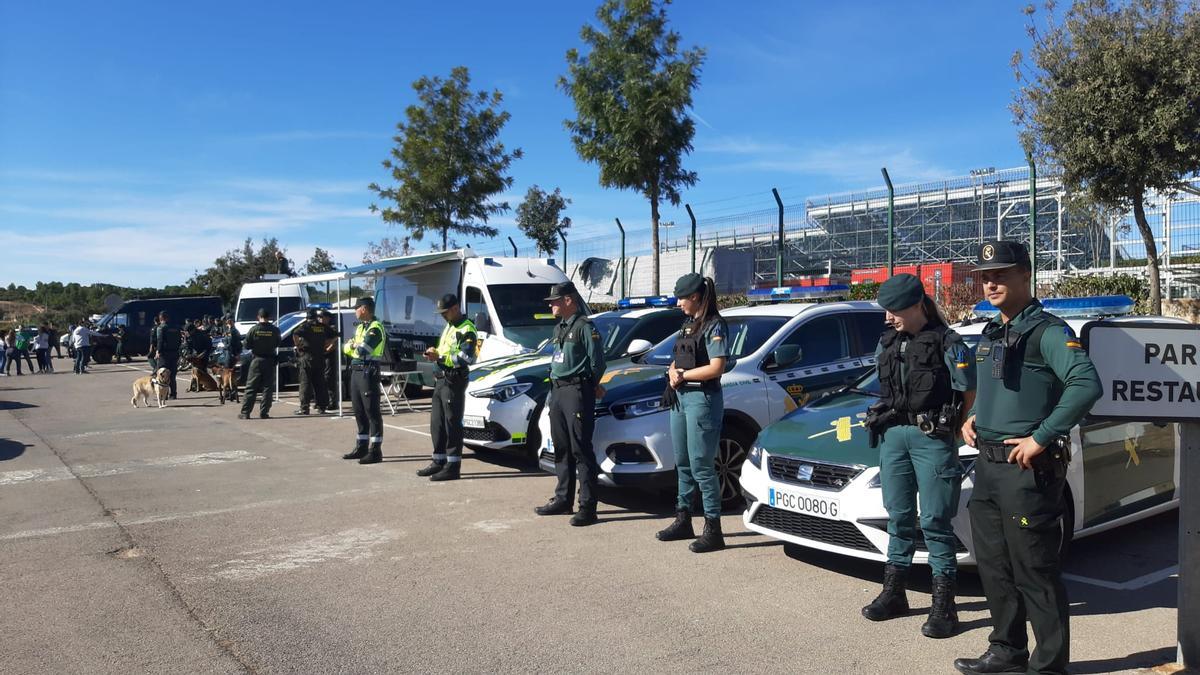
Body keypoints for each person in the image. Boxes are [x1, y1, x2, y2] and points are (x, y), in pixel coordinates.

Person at [953, 241, 1102, 675]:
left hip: (1027, 471)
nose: (991, 282)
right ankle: (1006, 650)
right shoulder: (990, 332)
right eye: (985, 275)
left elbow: (1085, 386)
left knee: (1035, 571)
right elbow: (994, 390)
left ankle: (1049, 665)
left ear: (1025, 275)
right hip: (988, 466)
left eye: (1001, 273)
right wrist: (974, 416)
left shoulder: (1049, 332)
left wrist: (1041, 436)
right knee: (995, 568)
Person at [860, 274, 977, 639]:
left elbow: (968, 388)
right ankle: (895, 594)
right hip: (894, 435)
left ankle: (945, 607)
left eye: (894, 311)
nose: (888, 318)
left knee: (935, 521)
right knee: (898, 515)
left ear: (916, 306)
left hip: (932, 438)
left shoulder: (948, 342)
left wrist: (957, 426)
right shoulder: (889, 341)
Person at [655, 274, 728, 551]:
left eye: (681, 297)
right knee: (683, 461)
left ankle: (714, 528)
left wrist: (682, 375)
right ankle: (683, 518)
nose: (678, 302)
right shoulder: (688, 325)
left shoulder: (714, 325)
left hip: (702, 400)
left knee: (702, 465)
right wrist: (673, 371)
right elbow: (679, 357)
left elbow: (716, 366)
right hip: (681, 398)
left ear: (695, 297)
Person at [532, 282, 605, 525]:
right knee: (561, 448)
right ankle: (563, 499)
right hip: (558, 391)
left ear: (568, 300)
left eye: (554, 300)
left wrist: (588, 385)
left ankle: (587, 506)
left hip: (576, 390)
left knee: (580, 449)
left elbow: (597, 363)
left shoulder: (584, 326)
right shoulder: (560, 328)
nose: (551, 304)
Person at [416, 294, 478, 481]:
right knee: (437, 423)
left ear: (455, 308)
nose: (442, 315)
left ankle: (453, 466)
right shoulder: (450, 326)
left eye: (445, 312)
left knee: (452, 423)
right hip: (441, 379)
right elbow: (445, 351)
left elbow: (466, 358)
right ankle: (438, 461)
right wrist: (435, 353)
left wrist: (440, 358)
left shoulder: (467, 329)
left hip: (453, 380)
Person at [342, 297, 385, 463]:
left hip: (368, 371)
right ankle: (361, 447)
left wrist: (353, 346)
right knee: (359, 411)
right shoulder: (361, 327)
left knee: (371, 412)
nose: (355, 311)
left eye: (356, 308)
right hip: (356, 371)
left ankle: (375, 451)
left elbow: (362, 349)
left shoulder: (375, 328)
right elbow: (346, 347)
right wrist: (353, 346)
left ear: (364, 309)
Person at [239, 308, 281, 420]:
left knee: (251, 387)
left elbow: (247, 345)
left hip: (257, 360)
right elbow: (278, 343)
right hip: (270, 360)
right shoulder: (275, 330)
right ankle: (264, 412)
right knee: (268, 388)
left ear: (258, 317)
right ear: (269, 317)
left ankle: (245, 412)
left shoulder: (254, 329)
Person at [293, 308, 332, 415]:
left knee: (305, 383)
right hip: (320, 357)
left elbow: (295, 333)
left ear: (307, 317)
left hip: (307, 357)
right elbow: (335, 335)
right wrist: (325, 344)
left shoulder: (306, 326)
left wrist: (298, 346)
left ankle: (304, 408)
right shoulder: (322, 327)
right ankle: (322, 407)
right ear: (316, 317)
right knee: (320, 383)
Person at [153, 313, 182, 398]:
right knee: (172, 375)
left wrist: (158, 351)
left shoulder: (161, 328)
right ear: (168, 318)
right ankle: (173, 394)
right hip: (175, 353)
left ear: (160, 318)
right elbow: (180, 340)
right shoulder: (176, 328)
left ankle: (163, 395)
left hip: (164, 354)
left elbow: (160, 341)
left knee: (162, 374)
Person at [319, 309, 341, 409]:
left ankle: (333, 402)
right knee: (322, 379)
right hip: (322, 356)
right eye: (319, 317)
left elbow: (335, 340)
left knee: (329, 379)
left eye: (321, 317)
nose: (319, 319)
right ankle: (323, 401)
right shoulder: (319, 328)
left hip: (329, 356)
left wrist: (327, 348)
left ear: (327, 318)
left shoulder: (331, 329)